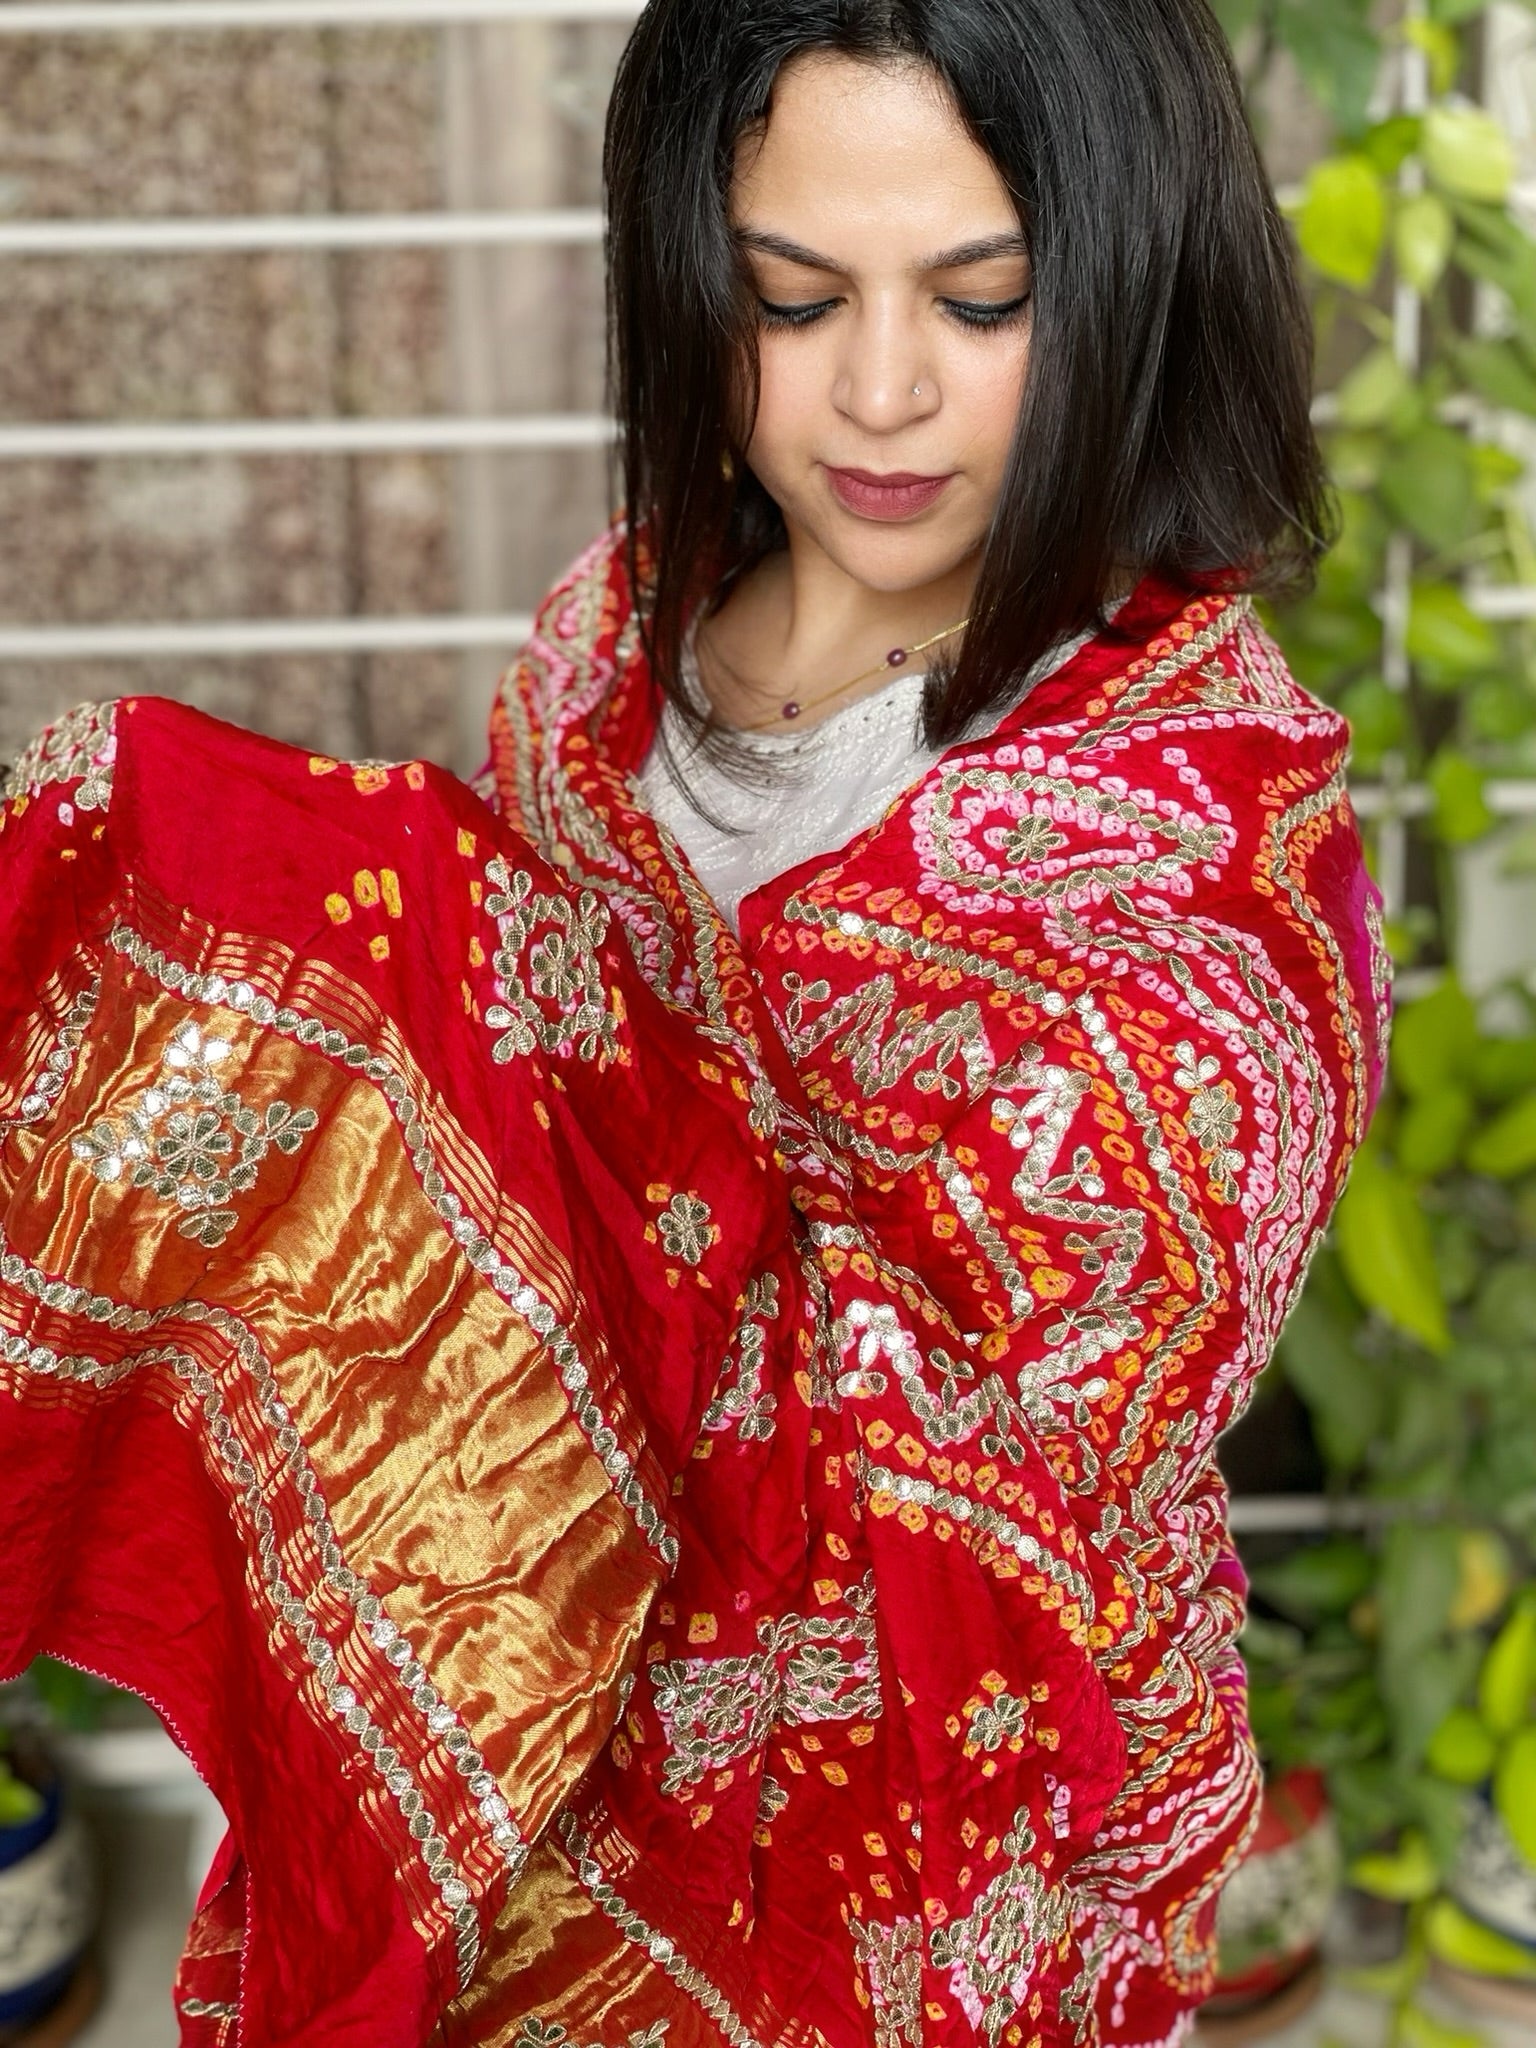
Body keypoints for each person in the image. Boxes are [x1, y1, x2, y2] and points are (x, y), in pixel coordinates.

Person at [0, 3, 1388, 2046]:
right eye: (792, 297)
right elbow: (477, 1184)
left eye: (985, 298)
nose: (885, 393)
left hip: (950, 1882)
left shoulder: (1202, 828)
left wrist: (494, 1092)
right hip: (540, 1782)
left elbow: (1031, 1459)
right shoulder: (610, 637)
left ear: (1130, 271)